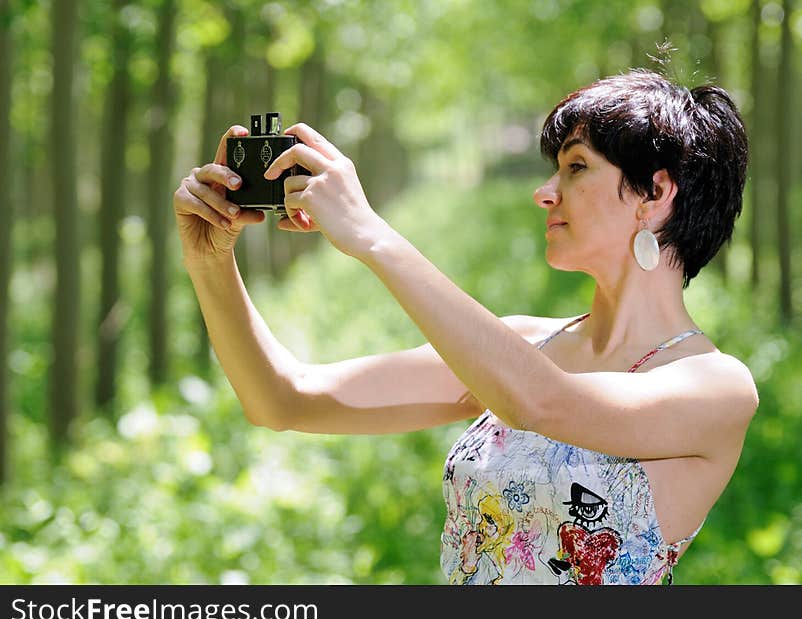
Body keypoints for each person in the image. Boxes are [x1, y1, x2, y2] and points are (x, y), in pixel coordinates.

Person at [172, 68, 759, 585]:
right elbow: (284, 399)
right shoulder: (524, 347)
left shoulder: (715, 386)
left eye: (576, 167)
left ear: (654, 192)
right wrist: (210, 261)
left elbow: (543, 402)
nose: (545, 192)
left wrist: (373, 236)